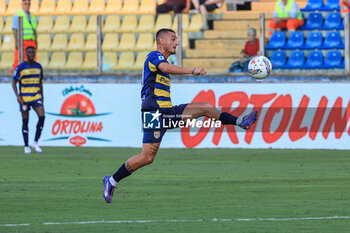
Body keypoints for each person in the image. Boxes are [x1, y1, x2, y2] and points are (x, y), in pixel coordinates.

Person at [102, 28, 258, 204]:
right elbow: (165, 67)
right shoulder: (154, 56)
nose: (177, 42)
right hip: (153, 113)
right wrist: (192, 71)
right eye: (173, 39)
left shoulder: (163, 62)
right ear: (161, 42)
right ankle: (112, 181)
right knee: (147, 157)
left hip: (167, 112)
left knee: (205, 107)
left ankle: (240, 121)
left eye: (177, 39)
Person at [12, 46, 45, 154]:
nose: (31, 54)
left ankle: (35, 142)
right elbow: (13, 82)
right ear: (26, 54)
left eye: (32, 52)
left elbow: (40, 82)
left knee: (42, 117)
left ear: (35, 53)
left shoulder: (38, 66)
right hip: (24, 98)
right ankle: (26, 146)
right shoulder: (21, 67)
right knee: (25, 121)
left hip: (36, 97)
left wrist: (42, 96)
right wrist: (18, 96)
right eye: (29, 52)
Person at [10, 0, 37, 74]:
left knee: (32, 60)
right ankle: (12, 74)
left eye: (28, 4)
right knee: (19, 60)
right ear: (22, 4)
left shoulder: (32, 16)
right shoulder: (18, 15)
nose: (27, 6)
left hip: (32, 41)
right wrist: (17, 41)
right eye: (25, 4)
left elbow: (34, 30)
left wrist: (36, 42)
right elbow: (15, 29)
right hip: (22, 41)